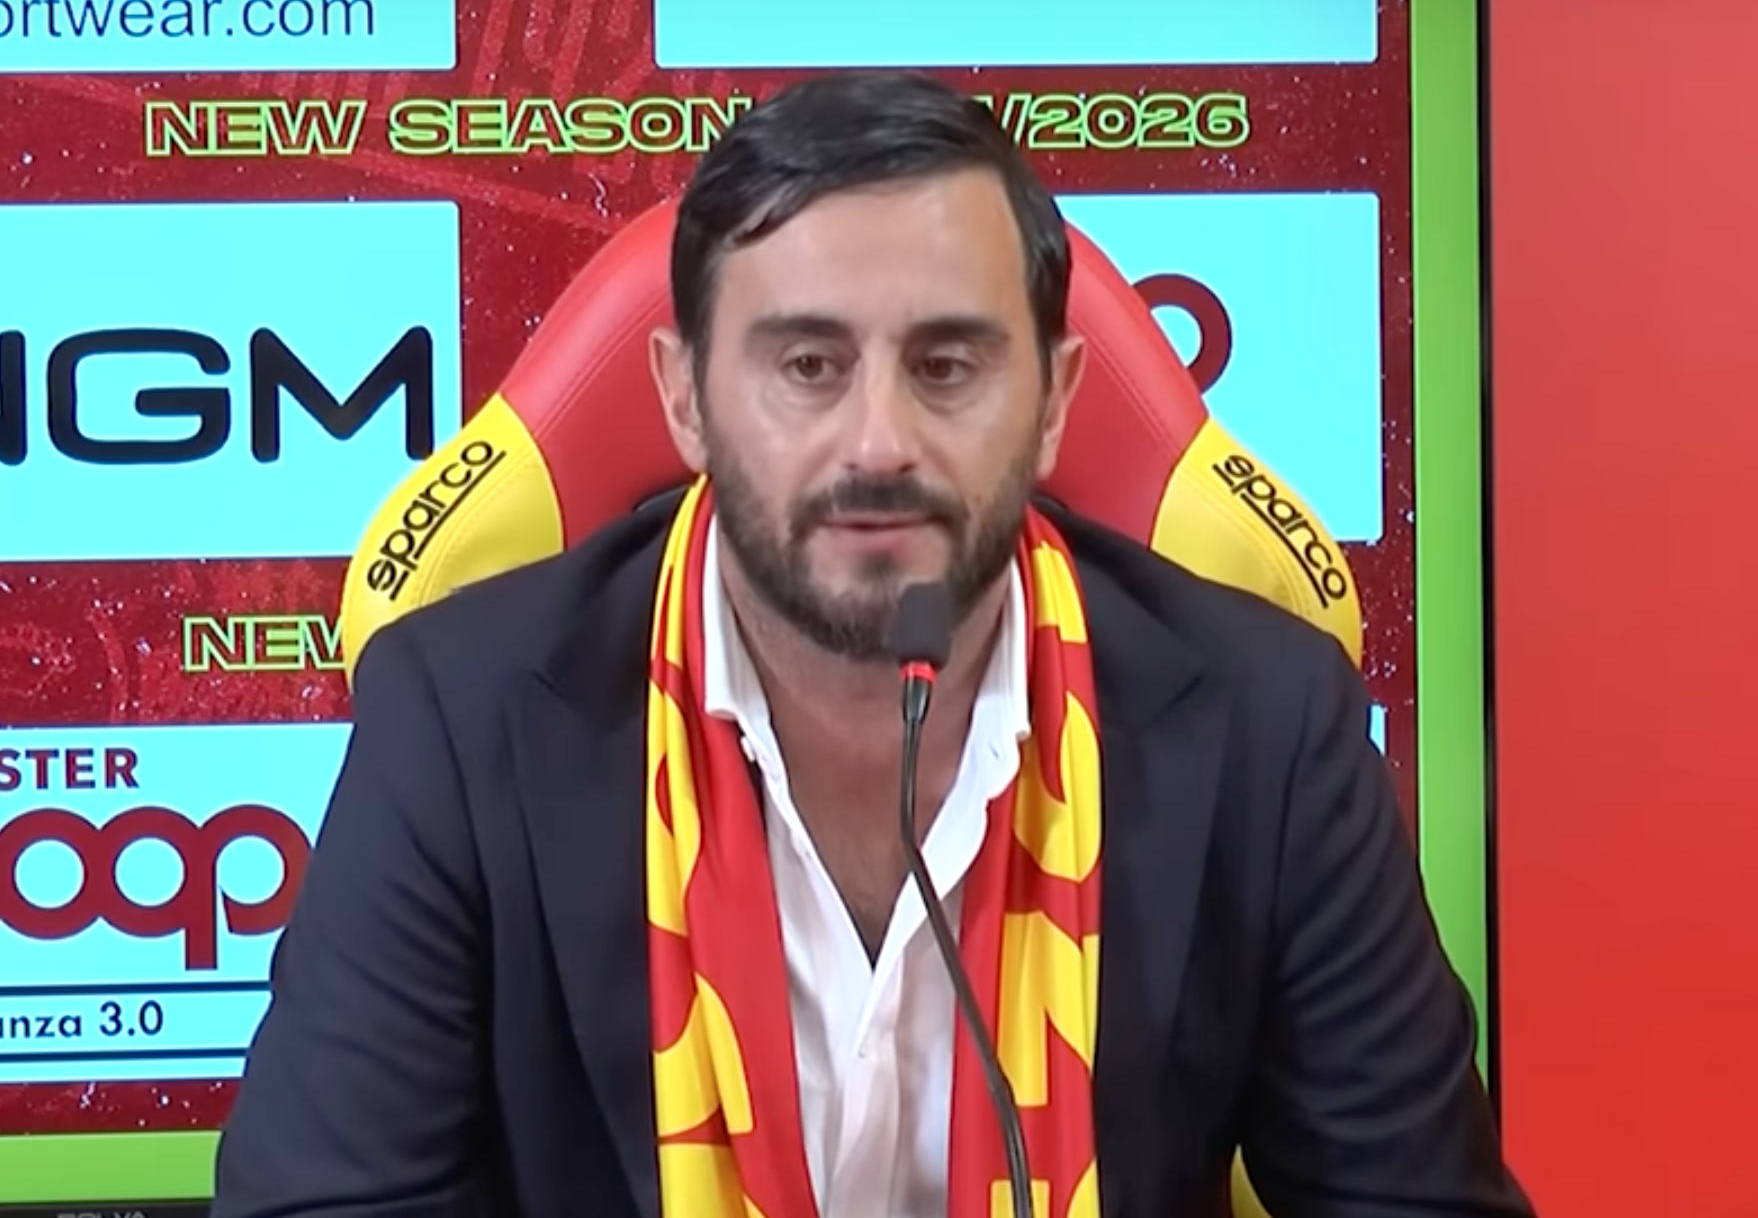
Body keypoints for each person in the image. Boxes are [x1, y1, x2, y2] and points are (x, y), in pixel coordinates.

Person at [211, 71, 1534, 1218]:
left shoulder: (1269, 729)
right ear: (684, 396)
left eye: (948, 366)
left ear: (1055, 401)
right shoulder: (458, 723)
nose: (879, 441)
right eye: (807, 366)